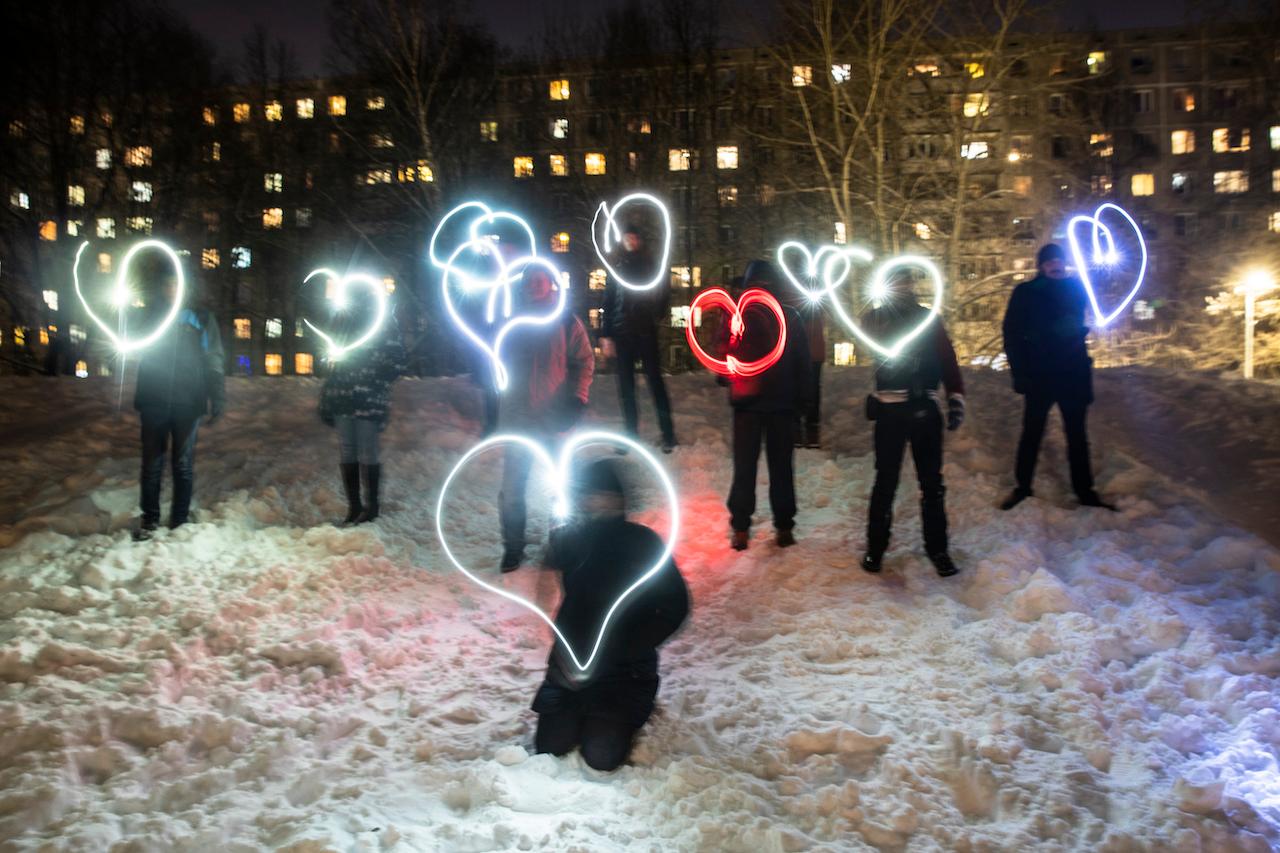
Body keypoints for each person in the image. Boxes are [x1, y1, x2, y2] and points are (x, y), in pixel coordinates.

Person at [530, 457, 690, 771]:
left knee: (601, 755)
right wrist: (554, 627)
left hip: (625, 671)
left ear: (619, 499)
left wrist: (633, 645)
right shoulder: (570, 539)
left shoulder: (642, 542)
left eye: (603, 494)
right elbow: (542, 586)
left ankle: (608, 716)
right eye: (589, 495)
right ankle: (582, 711)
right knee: (550, 747)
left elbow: (675, 606)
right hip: (570, 667)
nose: (595, 501)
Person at [860, 270, 965, 577]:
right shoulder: (877, 319)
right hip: (890, 411)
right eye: (897, 284)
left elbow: (947, 359)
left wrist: (955, 396)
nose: (902, 289)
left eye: (905, 284)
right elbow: (871, 333)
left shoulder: (927, 319)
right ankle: (875, 549)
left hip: (925, 410)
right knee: (886, 482)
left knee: (932, 484)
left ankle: (938, 549)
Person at [1000, 243, 1115, 511]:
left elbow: (1101, 291)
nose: (1055, 265)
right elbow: (1012, 335)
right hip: (1040, 375)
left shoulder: (1077, 288)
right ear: (1041, 265)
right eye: (1050, 261)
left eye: (1059, 261)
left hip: (1072, 374)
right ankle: (1023, 487)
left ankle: (1085, 491)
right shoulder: (1026, 292)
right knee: (1032, 433)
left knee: (1077, 435)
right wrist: (1020, 373)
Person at [498, 266, 595, 570]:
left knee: (561, 485)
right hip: (518, 419)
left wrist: (577, 400)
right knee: (513, 487)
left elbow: (585, 361)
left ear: (551, 284)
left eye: (540, 281)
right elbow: (496, 366)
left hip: (554, 419)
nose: (534, 286)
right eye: (530, 282)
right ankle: (513, 546)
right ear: (524, 287)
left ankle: (561, 543)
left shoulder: (566, 321)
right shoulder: (511, 323)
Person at [724, 260, 811, 551]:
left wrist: (730, 375)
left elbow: (723, 362)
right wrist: (803, 404)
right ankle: (784, 526)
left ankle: (740, 529)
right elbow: (804, 364)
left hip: (747, 406)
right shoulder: (791, 316)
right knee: (781, 468)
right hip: (781, 404)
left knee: (744, 468)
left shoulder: (738, 314)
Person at [132, 277, 225, 541]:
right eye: (168, 283)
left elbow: (213, 357)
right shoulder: (151, 314)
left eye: (176, 283)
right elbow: (131, 340)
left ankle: (180, 520)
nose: (171, 288)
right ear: (162, 286)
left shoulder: (200, 317)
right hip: (154, 399)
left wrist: (217, 394)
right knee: (151, 464)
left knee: (182, 465)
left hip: (188, 401)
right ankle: (149, 519)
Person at [319, 305, 407, 525]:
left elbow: (397, 361)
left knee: (368, 451)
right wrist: (328, 396)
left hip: (368, 397)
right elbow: (331, 362)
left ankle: (372, 508)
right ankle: (355, 507)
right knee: (348, 451)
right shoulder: (342, 321)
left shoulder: (383, 322)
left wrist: (376, 375)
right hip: (342, 395)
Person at [599, 224, 677, 453]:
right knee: (626, 387)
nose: (631, 242)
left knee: (655, 383)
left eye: (634, 238)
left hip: (645, 331)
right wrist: (606, 334)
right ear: (623, 240)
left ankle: (668, 434)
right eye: (627, 238)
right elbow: (608, 301)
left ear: (640, 240)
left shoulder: (651, 265)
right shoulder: (617, 267)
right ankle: (631, 434)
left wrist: (657, 313)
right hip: (623, 333)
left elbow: (664, 291)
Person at [781, 284, 827, 448]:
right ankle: (800, 430)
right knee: (800, 389)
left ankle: (808, 429)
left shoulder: (809, 297)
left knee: (810, 390)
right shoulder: (792, 295)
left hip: (811, 352)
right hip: (800, 352)